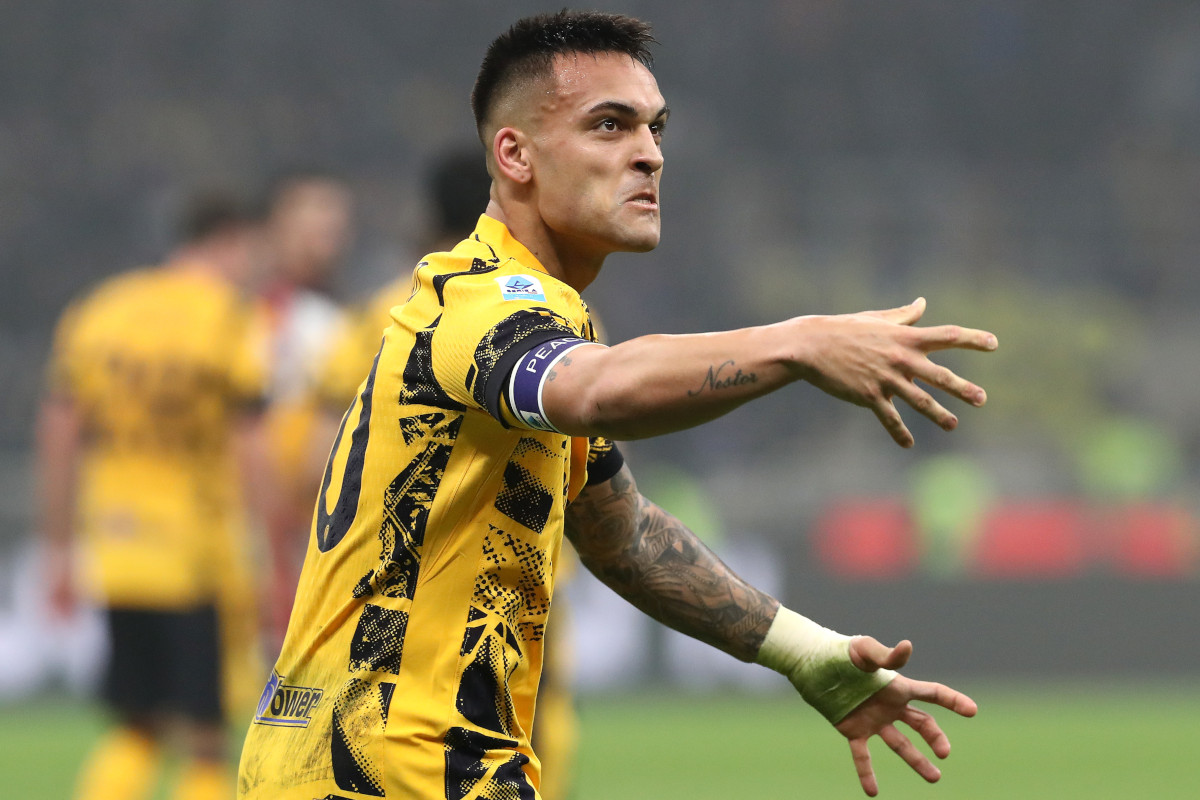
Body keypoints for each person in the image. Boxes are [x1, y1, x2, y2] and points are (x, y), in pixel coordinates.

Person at [237, 11, 998, 799]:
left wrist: (806, 654)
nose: (649, 153)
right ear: (515, 155)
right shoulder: (480, 300)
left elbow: (620, 533)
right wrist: (796, 343)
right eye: (609, 125)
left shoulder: (540, 318)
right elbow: (599, 391)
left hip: (385, 757)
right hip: (386, 765)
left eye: (655, 127)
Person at [313, 146, 583, 799]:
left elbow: (315, 459)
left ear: (427, 215)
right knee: (523, 736)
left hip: (380, 579)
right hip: (513, 580)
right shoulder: (550, 313)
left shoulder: (371, 319)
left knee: (372, 739)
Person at [38, 192, 269, 800]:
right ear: (229, 242)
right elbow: (251, 442)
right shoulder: (227, 315)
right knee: (206, 736)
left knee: (136, 724)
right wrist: (274, 545)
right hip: (196, 552)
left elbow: (59, 433)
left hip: (116, 547)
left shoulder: (100, 310)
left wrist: (58, 549)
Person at [254, 169, 356, 642]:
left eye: (333, 226)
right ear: (274, 230)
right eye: (311, 223)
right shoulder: (254, 320)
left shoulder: (339, 319)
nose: (326, 237)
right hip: (264, 531)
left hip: (320, 531)